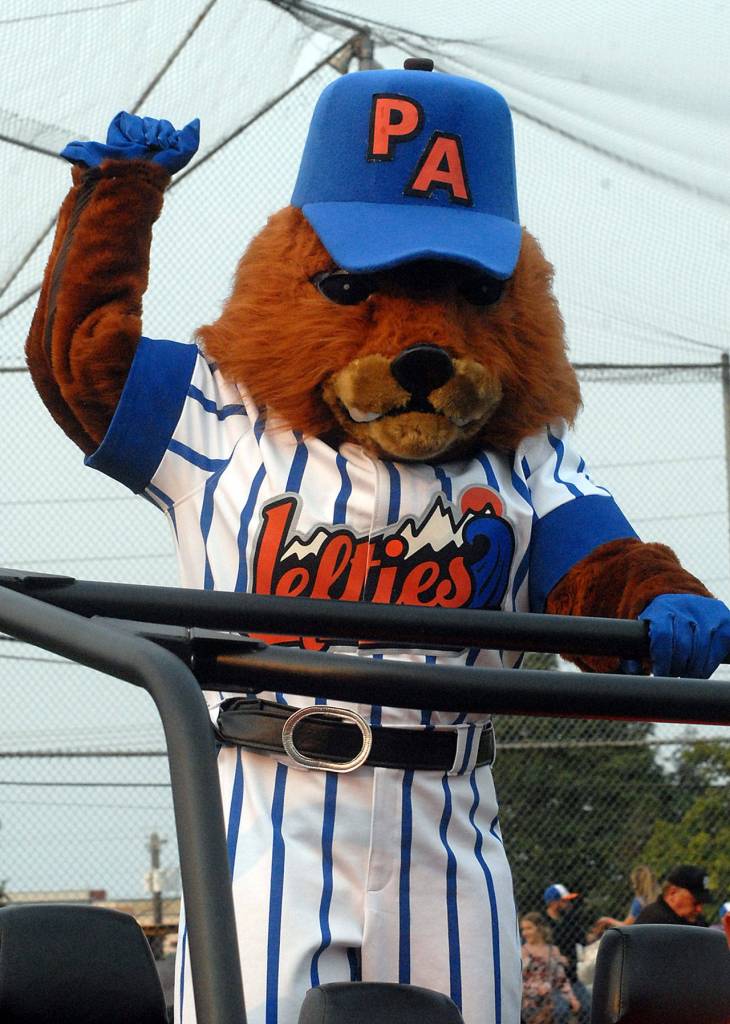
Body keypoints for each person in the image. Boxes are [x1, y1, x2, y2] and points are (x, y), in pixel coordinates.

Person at [543, 884, 596, 1023]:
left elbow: (584, 940)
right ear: (554, 903)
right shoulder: (543, 924)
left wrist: (601, 930)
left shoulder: (569, 919)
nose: (568, 904)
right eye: (564, 901)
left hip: (571, 977)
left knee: (589, 1007)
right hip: (552, 979)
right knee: (561, 1011)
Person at [520, 912, 580, 1024]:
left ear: (540, 928)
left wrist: (572, 998)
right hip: (529, 1000)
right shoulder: (522, 952)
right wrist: (537, 988)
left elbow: (561, 980)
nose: (524, 933)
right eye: (523, 929)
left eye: (529, 928)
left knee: (562, 1009)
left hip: (550, 998)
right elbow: (518, 981)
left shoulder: (553, 951)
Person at [634, 864, 713, 926]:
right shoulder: (655, 923)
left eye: (702, 903)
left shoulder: (696, 921)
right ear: (673, 893)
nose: (699, 909)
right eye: (695, 903)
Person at [595, 863, 660, 929]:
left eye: (633, 883)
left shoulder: (639, 902)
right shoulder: (662, 897)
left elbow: (626, 926)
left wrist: (607, 920)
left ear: (636, 885)